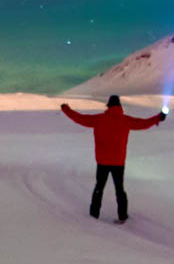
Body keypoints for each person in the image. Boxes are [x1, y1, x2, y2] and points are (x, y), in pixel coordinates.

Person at [59, 95, 166, 223]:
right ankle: (123, 216)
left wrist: (66, 109)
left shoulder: (99, 119)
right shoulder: (125, 120)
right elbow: (143, 123)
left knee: (99, 188)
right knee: (120, 190)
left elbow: (80, 118)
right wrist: (158, 118)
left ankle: (94, 215)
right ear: (119, 106)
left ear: (108, 106)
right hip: (118, 162)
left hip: (102, 161)